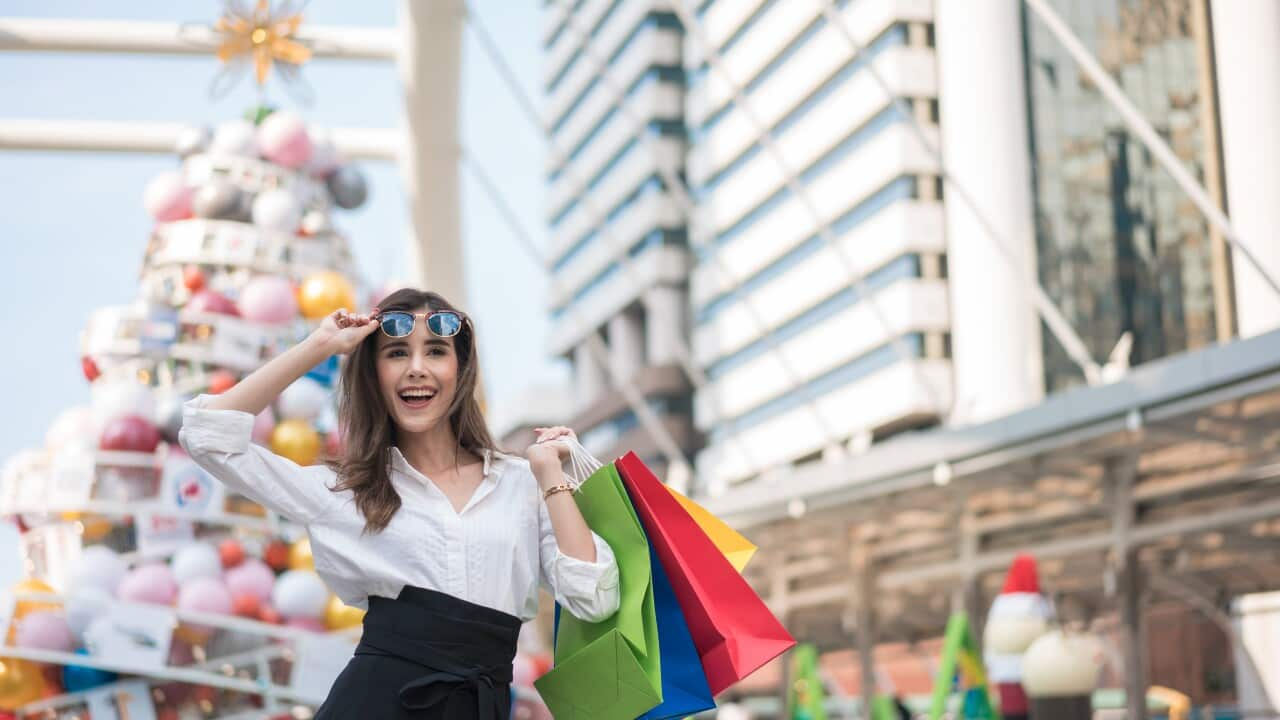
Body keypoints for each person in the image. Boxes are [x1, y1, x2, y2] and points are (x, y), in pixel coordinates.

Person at [179, 288, 620, 719]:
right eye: (395, 353)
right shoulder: (344, 490)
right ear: (374, 375)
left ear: (460, 368)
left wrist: (550, 476)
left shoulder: (519, 483)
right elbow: (207, 435)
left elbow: (594, 598)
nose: (416, 369)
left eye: (435, 351)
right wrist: (321, 346)